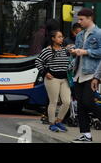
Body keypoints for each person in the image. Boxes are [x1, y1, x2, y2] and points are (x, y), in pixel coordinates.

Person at [69, 8, 101, 142]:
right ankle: (86, 134)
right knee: (81, 105)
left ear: (90, 18)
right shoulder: (79, 35)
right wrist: (73, 51)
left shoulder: (99, 33)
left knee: (88, 102)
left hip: (91, 73)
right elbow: (77, 55)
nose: (79, 22)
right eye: (78, 19)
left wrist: (85, 52)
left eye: (81, 19)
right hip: (77, 74)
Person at [35, 30, 72, 132]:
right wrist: (45, 73)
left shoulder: (65, 50)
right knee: (53, 102)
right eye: (59, 37)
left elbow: (70, 62)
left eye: (62, 37)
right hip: (52, 79)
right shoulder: (47, 50)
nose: (62, 39)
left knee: (67, 102)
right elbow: (38, 62)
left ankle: (58, 121)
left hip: (64, 79)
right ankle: (52, 123)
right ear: (53, 39)